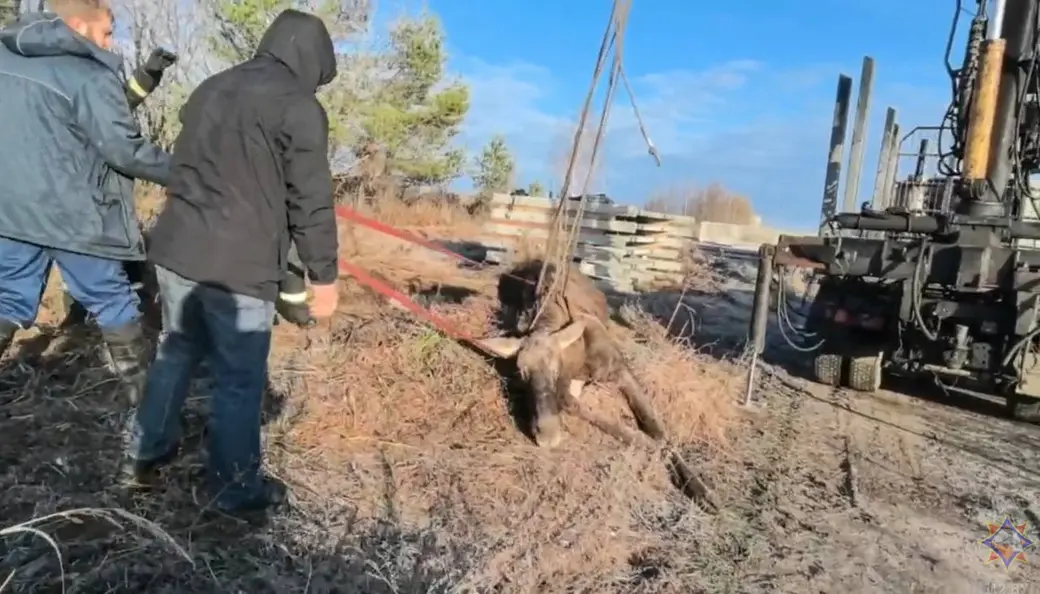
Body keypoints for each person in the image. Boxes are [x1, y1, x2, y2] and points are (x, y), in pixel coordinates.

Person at [121, 8, 341, 516]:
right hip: (238, 266)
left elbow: (198, 160)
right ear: (311, 60)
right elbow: (310, 199)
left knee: (176, 351)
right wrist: (323, 274)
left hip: (176, 250)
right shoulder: (298, 107)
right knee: (239, 381)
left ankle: (141, 455)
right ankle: (236, 492)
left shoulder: (213, 86)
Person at [0, 0, 169, 404]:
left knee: (6, 296)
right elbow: (122, 149)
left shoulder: (7, 57)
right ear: (78, 25)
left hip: (11, 210)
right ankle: (144, 414)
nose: (111, 43)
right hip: (74, 214)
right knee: (113, 300)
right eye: (108, 33)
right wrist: (192, 171)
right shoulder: (88, 73)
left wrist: (146, 78)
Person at [59, 46, 178, 329]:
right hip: (74, 202)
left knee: (124, 261)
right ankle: (79, 321)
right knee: (83, 263)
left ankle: (129, 320)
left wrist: (148, 75)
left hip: (104, 200)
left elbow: (122, 104)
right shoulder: (62, 94)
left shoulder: (91, 97)